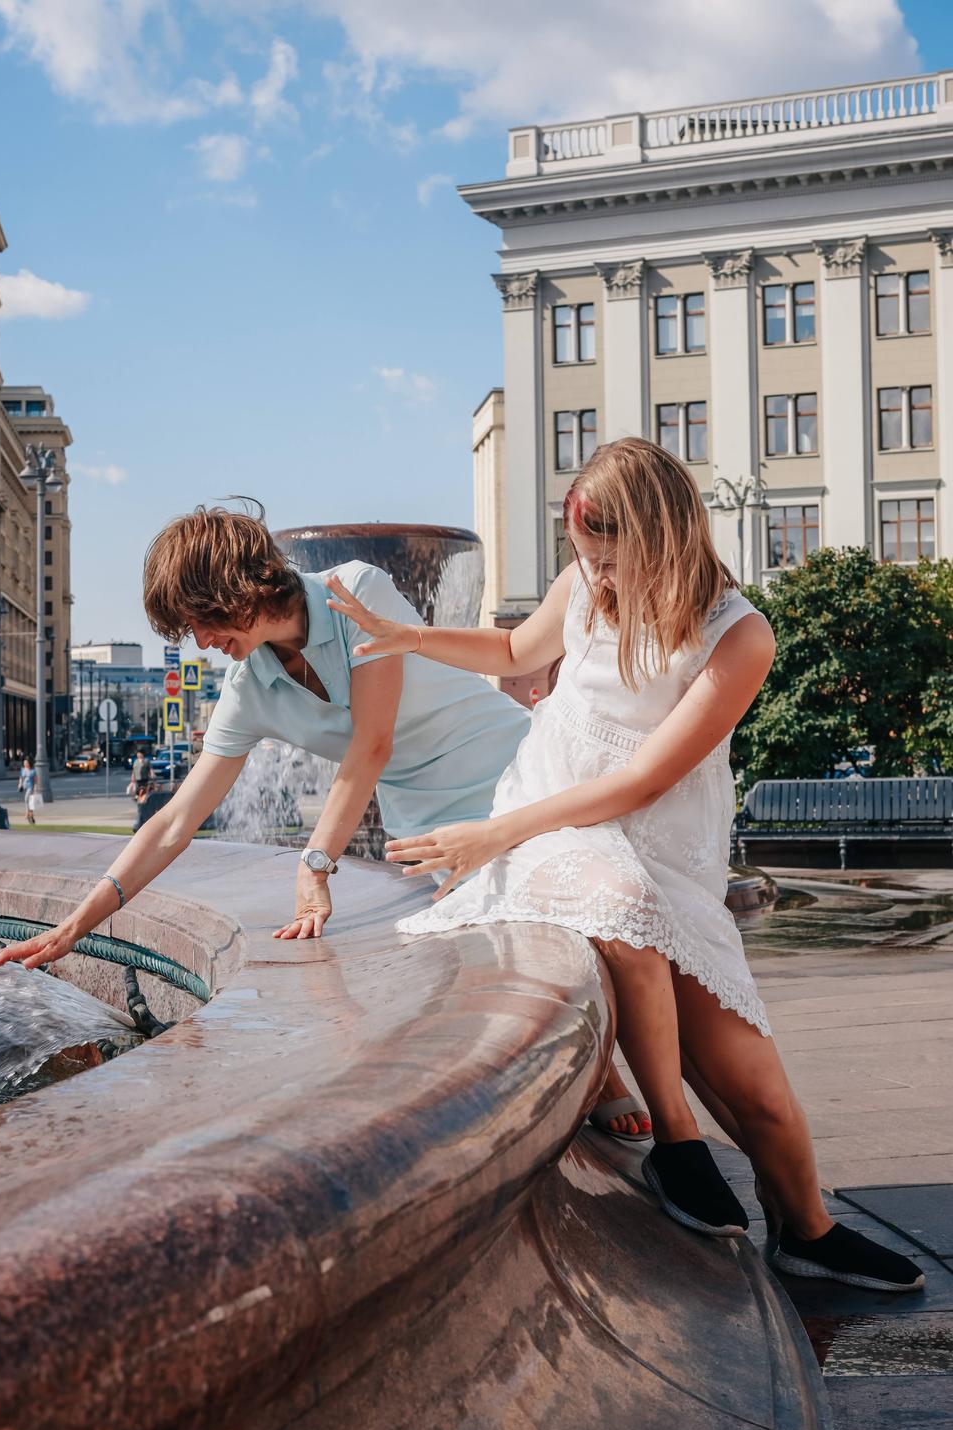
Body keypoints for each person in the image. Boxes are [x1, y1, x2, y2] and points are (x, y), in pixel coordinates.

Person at [324, 437, 923, 1293]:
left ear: (666, 537)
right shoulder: (583, 585)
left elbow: (643, 780)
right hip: (563, 825)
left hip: (662, 847)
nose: (595, 576)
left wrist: (490, 837)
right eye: (584, 556)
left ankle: (809, 1232)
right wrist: (404, 636)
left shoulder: (738, 635)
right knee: (619, 910)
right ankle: (678, 1151)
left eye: (612, 558)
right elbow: (513, 655)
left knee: (759, 1094)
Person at [0, 501, 651, 1139]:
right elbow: (176, 820)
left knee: (571, 915)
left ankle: (610, 1068)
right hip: (427, 818)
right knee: (507, 943)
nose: (205, 643)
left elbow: (372, 743)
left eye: (203, 621)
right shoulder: (251, 690)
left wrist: (316, 861)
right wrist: (73, 927)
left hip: (508, 766)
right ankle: (587, 1064)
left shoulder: (355, 591)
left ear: (238, 589)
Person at [17, 756, 37, 825]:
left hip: (30, 787)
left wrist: (35, 788)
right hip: (24, 787)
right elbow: (21, 778)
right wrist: (20, 784)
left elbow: (35, 781)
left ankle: (27, 814)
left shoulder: (33, 771)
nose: (25, 764)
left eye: (26, 763)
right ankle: (31, 817)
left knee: (26, 799)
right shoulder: (23, 770)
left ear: (29, 763)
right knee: (30, 802)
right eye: (24, 763)